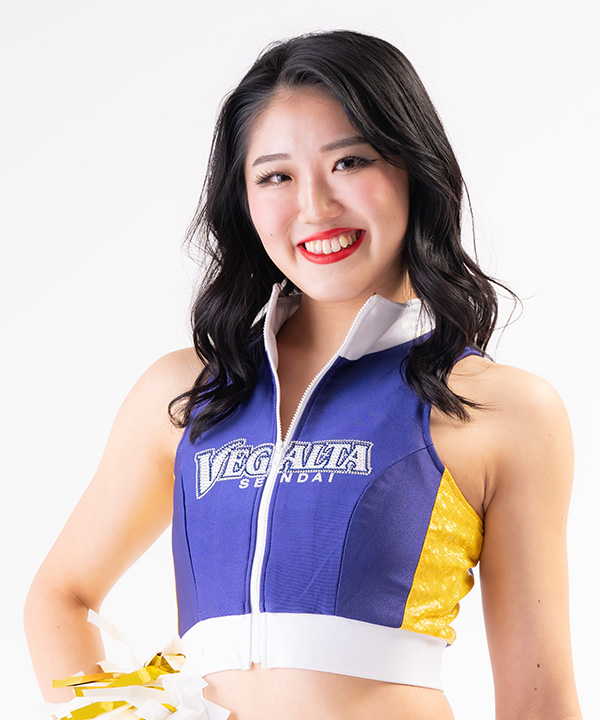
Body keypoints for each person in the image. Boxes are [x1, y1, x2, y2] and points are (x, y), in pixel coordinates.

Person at [25, 30, 583, 720]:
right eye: (276, 176)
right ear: (243, 199)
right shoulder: (185, 395)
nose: (315, 207)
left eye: (349, 161)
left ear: (415, 169)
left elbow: (539, 701)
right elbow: (60, 597)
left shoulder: (503, 409)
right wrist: (114, 713)